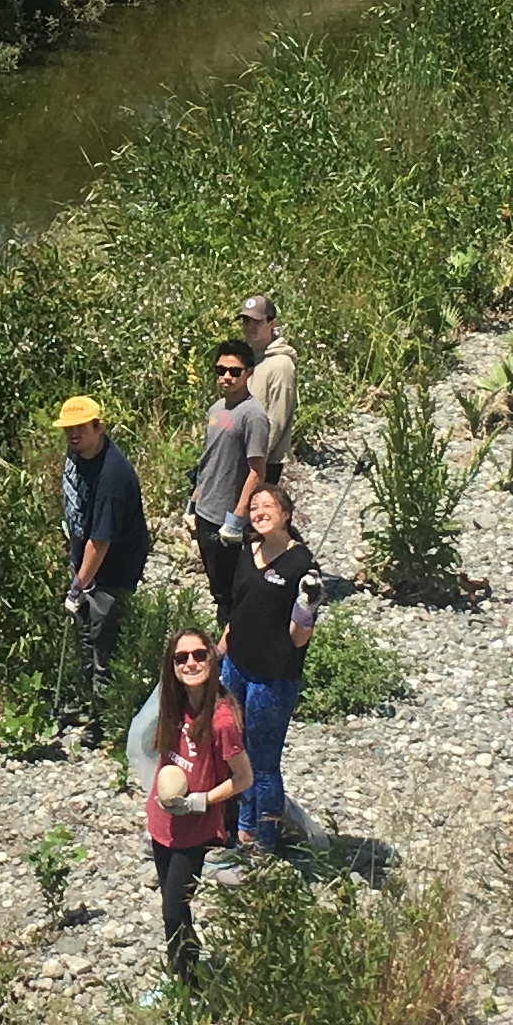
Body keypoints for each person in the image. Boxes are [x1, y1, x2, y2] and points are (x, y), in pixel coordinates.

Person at [143, 628, 248, 984]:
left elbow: (244, 778)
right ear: (171, 666)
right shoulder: (174, 704)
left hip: (195, 829)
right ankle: (181, 976)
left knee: (174, 910)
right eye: (181, 657)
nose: (191, 662)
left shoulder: (221, 721)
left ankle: (189, 987)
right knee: (173, 909)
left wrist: (200, 801)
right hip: (163, 820)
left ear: (212, 659)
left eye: (200, 654)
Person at [221, 479, 319, 850]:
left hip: (271, 679)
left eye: (269, 507)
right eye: (255, 506)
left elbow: (298, 638)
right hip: (235, 667)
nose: (259, 513)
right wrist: (218, 652)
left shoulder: (302, 565)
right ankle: (243, 827)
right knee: (236, 751)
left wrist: (307, 606)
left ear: (286, 515)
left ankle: (266, 839)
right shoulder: (248, 552)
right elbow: (237, 612)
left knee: (263, 763)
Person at [56, 394, 150, 748]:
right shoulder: (78, 454)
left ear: (100, 427)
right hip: (86, 562)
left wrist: (78, 586)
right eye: (68, 429)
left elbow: (101, 540)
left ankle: (104, 719)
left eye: (81, 427)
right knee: (84, 634)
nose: (73, 435)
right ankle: (85, 701)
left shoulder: (113, 476)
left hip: (113, 569)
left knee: (103, 641)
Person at [188, 342, 262, 612]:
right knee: (216, 584)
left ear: (248, 372)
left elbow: (257, 470)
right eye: (221, 370)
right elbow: (211, 455)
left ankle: (233, 642)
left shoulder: (253, 415)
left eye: (235, 371)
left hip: (227, 517)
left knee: (231, 590)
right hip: (206, 509)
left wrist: (238, 518)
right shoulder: (216, 409)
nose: (227, 377)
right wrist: (196, 495)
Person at [236, 296, 297, 482]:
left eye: (257, 321)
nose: (250, 326)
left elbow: (277, 419)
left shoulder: (281, 364)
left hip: (263, 462)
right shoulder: (249, 357)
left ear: (272, 322)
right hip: (240, 456)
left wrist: (256, 459)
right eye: (246, 321)